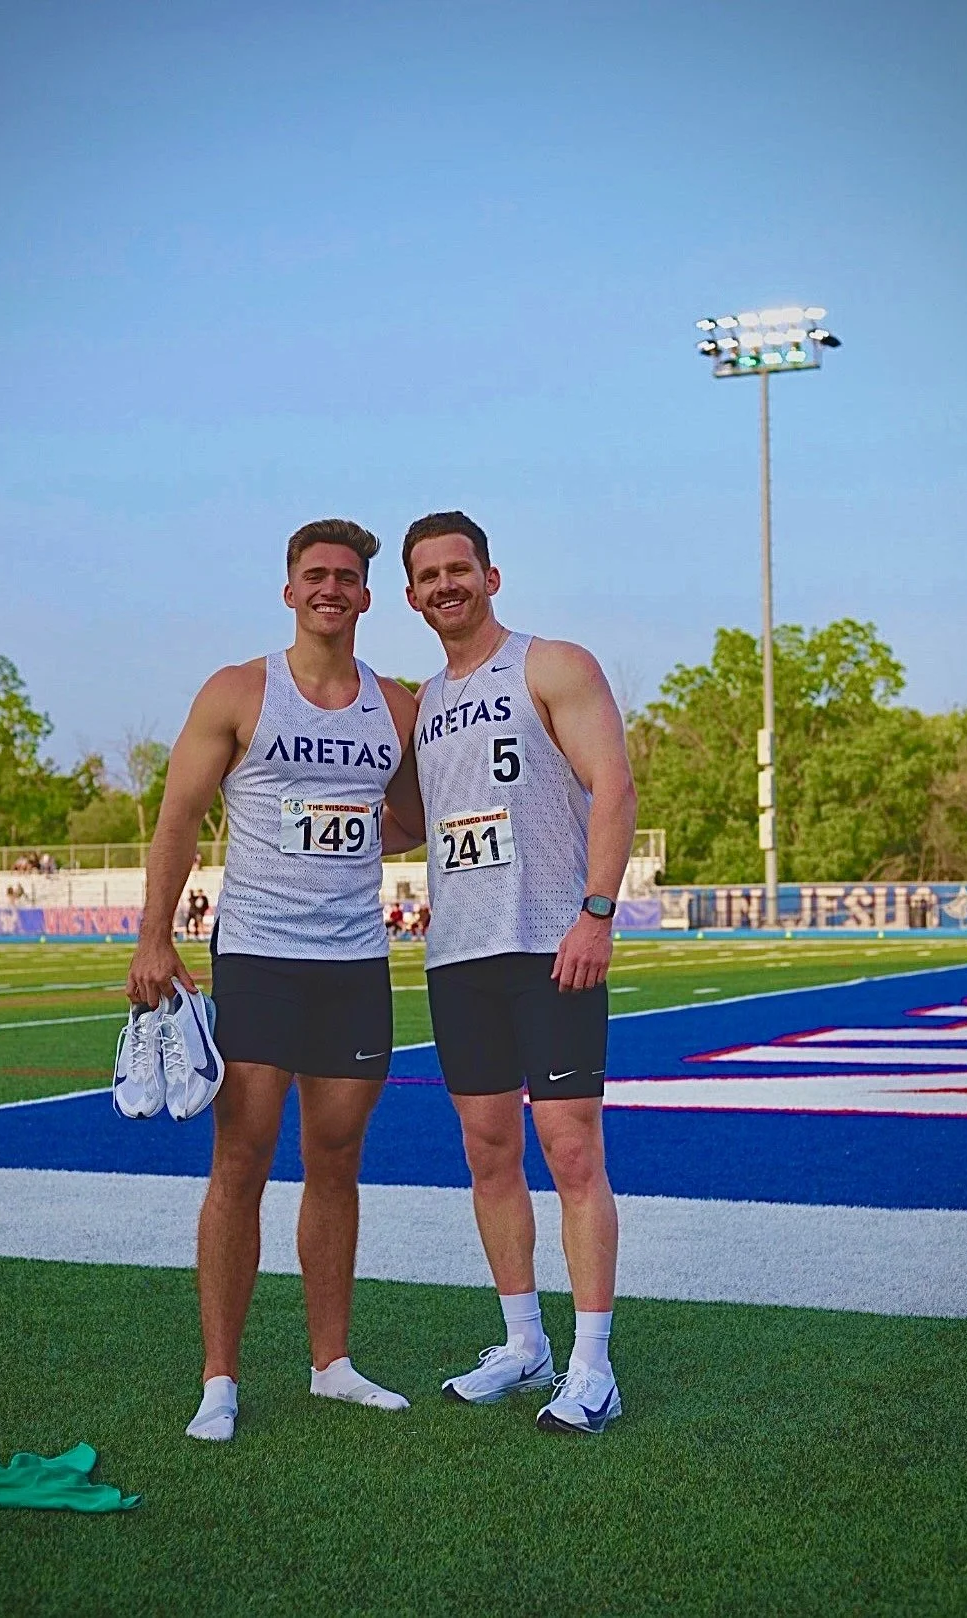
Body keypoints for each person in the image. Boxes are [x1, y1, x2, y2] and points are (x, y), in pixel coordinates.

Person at [125, 517, 425, 1440]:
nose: (330, 588)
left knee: (335, 1162)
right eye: (314, 575)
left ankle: (329, 1363)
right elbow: (177, 816)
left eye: (346, 576)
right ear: (289, 590)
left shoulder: (398, 706)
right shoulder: (238, 690)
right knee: (241, 1162)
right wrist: (153, 939)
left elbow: (411, 819)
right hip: (256, 957)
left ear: (368, 596)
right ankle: (221, 1379)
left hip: (354, 964)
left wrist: (349, 835)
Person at [403, 510, 637, 1435]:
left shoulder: (554, 664)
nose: (445, 586)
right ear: (413, 596)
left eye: (459, 569)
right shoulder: (420, 703)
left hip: (550, 943)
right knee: (487, 1151)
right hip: (459, 956)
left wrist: (596, 909)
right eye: (428, 576)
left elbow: (612, 785)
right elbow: (409, 824)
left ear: (490, 578)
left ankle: (592, 1365)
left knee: (572, 1150)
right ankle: (522, 1342)